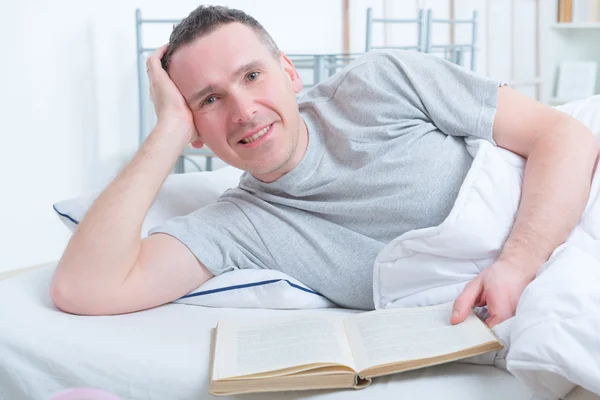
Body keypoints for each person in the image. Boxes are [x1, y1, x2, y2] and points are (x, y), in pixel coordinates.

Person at [51, 5, 598, 328]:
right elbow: (83, 289)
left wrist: (516, 265)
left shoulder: (381, 83)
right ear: (192, 126)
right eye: (208, 101)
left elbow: (563, 134)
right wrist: (166, 133)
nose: (244, 111)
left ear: (288, 72)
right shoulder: (240, 226)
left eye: (251, 76)